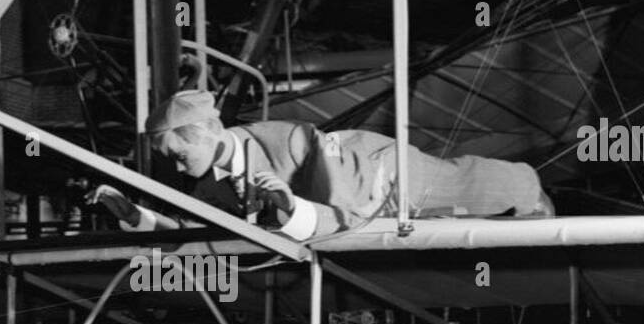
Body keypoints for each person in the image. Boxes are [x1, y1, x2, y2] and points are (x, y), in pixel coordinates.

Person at [91, 90, 552, 240]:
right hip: (338, 199)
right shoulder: (208, 182)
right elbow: (196, 232)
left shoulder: (286, 140)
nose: (174, 165)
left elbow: (343, 207)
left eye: (178, 153)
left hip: (371, 172)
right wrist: (136, 217)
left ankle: (528, 187)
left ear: (208, 135)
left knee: (455, 187)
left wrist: (290, 208)